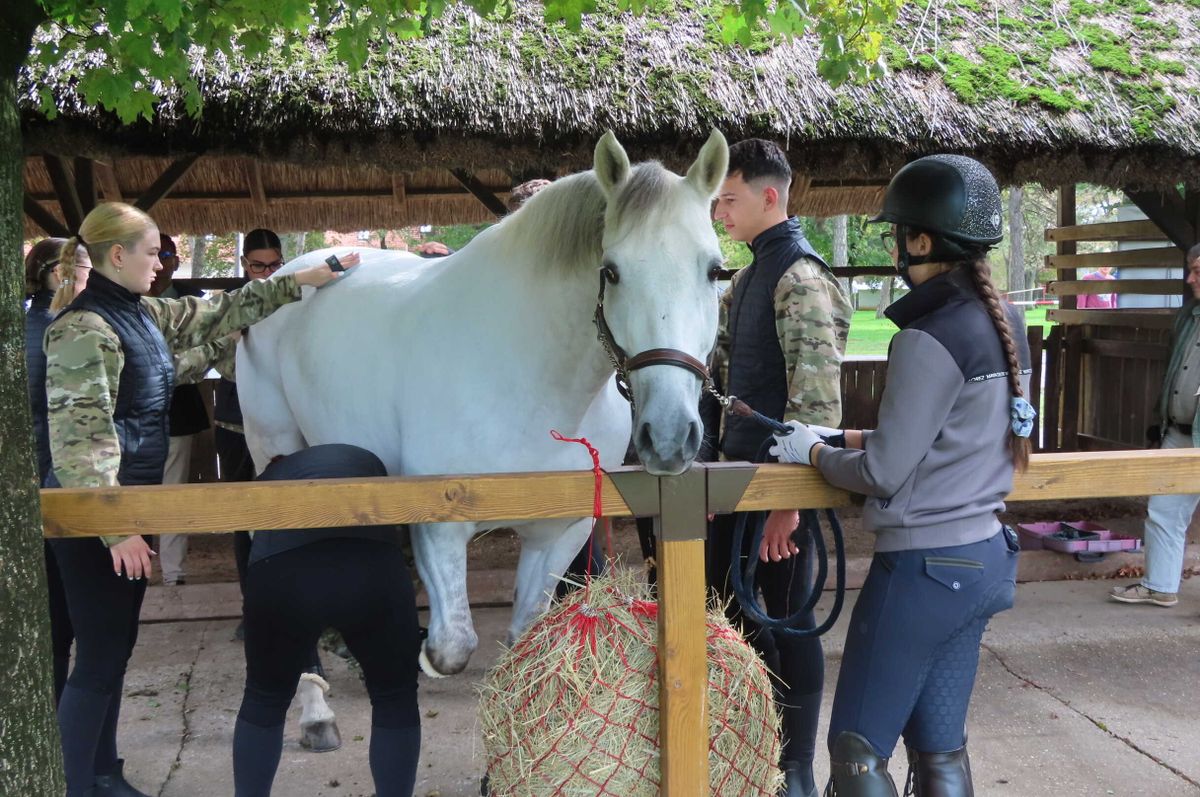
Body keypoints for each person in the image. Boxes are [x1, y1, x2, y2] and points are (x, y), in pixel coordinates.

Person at [43, 202, 354, 797]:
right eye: (153, 251)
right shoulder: (83, 330)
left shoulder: (137, 314)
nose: (160, 261)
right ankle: (73, 785)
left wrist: (299, 283)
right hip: (95, 517)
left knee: (115, 651)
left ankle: (103, 773)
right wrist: (116, 530)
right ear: (117, 256)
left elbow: (216, 311)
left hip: (128, 509)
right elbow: (82, 443)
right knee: (102, 657)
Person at [769, 155, 1030, 796]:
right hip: (983, 558)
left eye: (898, 234)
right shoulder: (1006, 321)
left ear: (920, 240)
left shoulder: (926, 337)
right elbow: (952, 433)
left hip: (921, 570)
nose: (895, 247)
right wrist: (842, 437)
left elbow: (885, 473)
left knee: (858, 751)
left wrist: (813, 455)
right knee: (940, 749)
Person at [709, 138, 852, 797]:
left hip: (778, 491)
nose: (719, 210)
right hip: (735, 482)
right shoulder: (746, 278)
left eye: (729, 198)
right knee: (734, 612)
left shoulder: (799, 274)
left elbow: (816, 403)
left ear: (770, 197)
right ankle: (754, 748)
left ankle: (795, 768)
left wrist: (788, 503)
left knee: (790, 617)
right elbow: (728, 387)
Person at [234, 444, 421, 797]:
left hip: (284, 570)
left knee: (264, 698)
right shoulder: (369, 457)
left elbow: (247, 548)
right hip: (371, 567)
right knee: (395, 698)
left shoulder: (269, 474)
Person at [1109, 243, 1200, 609]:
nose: (1191, 279)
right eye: (1191, 270)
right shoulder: (1188, 316)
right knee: (1163, 509)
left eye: (1198, 270)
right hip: (1179, 433)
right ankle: (1160, 585)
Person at [25, 237, 75, 704]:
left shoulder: (28, 324)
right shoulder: (57, 332)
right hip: (51, 486)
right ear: (57, 275)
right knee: (57, 618)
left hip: (33, 481)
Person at [148, 233, 210, 586]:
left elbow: (203, 358)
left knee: (173, 494)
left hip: (177, 415)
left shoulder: (192, 302)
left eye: (167, 254)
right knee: (130, 493)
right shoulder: (119, 301)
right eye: (153, 253)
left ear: (174, 259)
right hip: (127, 421)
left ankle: (172, 572)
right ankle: (130, 567)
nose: (160, 263)